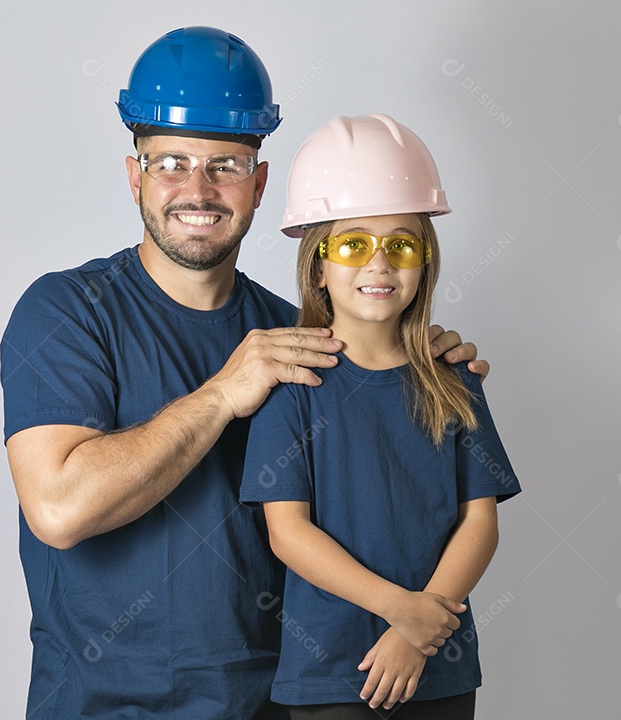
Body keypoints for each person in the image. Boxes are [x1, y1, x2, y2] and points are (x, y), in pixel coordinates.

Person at [0, 28, 484, 720]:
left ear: (258, 183)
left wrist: (419, 362)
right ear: (134, 175)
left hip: (276, 705)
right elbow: (59, 508)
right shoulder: (67, 313)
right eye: (171, 161)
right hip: (105, 706)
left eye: (224, 164)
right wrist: (225, 392)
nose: (198, 188)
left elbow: (398, 499)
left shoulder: (306, 340)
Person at [240, 114, 519, 720]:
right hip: (332, 675)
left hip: (439, 669)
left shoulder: (455, 384)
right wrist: (402, 610)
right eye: (353, 244)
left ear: (424, 261)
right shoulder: (292, 388)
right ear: (318, 264)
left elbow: (480, 524)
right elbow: (289, 532)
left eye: (401, 244)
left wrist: (423, 626)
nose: (379, 263)